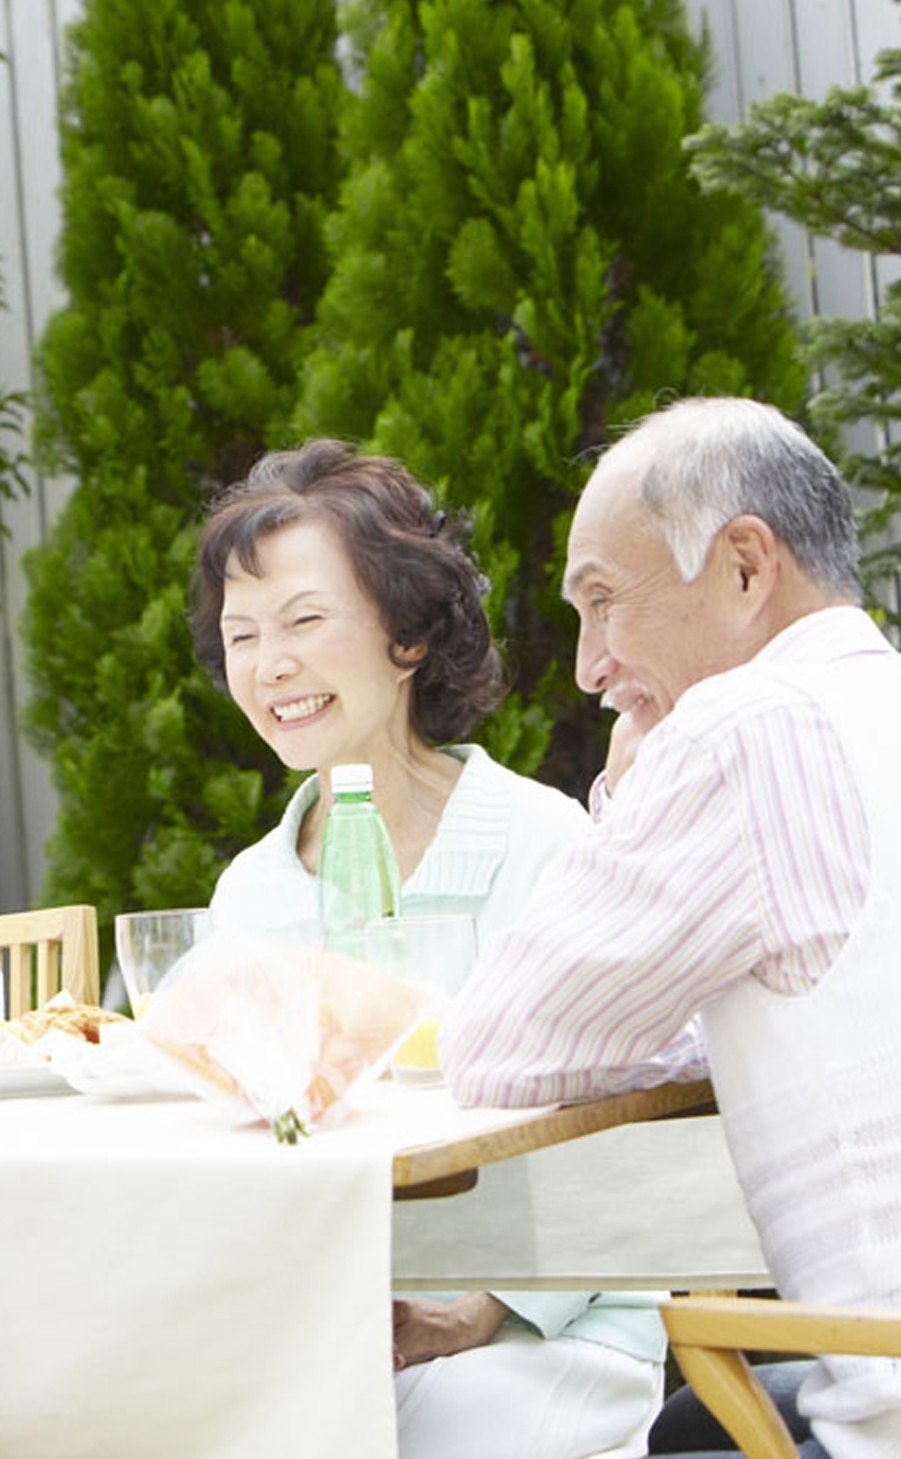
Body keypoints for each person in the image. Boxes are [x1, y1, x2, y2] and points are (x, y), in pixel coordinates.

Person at [442, 396, 901, 1459]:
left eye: (602, 603)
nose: (588, 666)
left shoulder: (743, 728)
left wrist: (628, 795)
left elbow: (500, 1047)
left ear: (744, 566)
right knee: (690, 1427)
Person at [191, 442, 665, 1459]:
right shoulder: (250, 893)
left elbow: (621, 1132)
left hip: (554, 1331)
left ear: (406, 633)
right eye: (240, 635)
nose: (268, 664)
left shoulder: (544, 847)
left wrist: (478, 1308)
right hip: (326, 1341)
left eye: (304, 621)